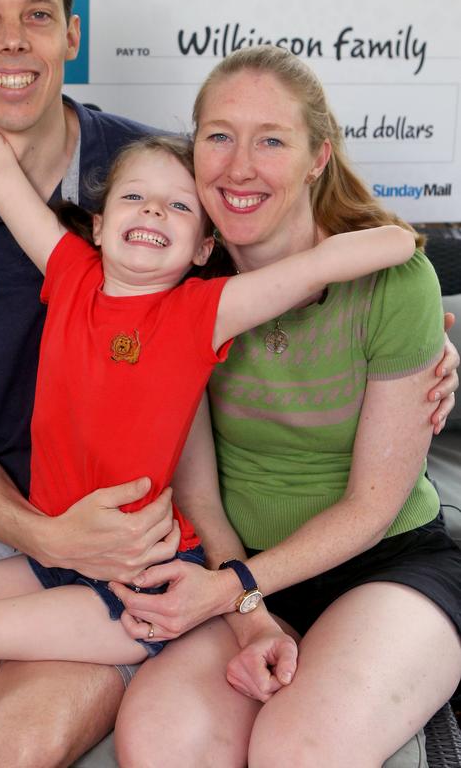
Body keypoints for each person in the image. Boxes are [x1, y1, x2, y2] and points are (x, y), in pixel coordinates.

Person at [0, 0, 456, 768]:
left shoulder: (163, 193)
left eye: (36, 14)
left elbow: (296, 258)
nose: (12, 41)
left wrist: (412, 318)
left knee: (259, 744)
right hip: (44, 517)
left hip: (191, 537)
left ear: (71, 32)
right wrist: (54, 540)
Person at [0, 123, 415, 705]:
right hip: (59, 553)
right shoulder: (71, 273)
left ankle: (19, 693)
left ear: (203, 249)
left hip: (139, 582)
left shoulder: (200, 312)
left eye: (179, 206)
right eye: (134, 196)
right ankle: (45, 654)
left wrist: (420, 318)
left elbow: (362, 255)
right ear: (101, 226)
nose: (154, 211)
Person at [110, 45, 461, 768]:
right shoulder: (175, 282)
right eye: (219, 135)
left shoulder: (394, 282)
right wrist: (245, 612)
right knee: (156, 739)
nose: (239, 166)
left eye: (271, 139)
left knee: (298, 751)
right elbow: (199, 492)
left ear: (316, 159)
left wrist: (234, 593)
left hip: (385, 561)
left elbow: (372, 506)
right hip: (236, 560)